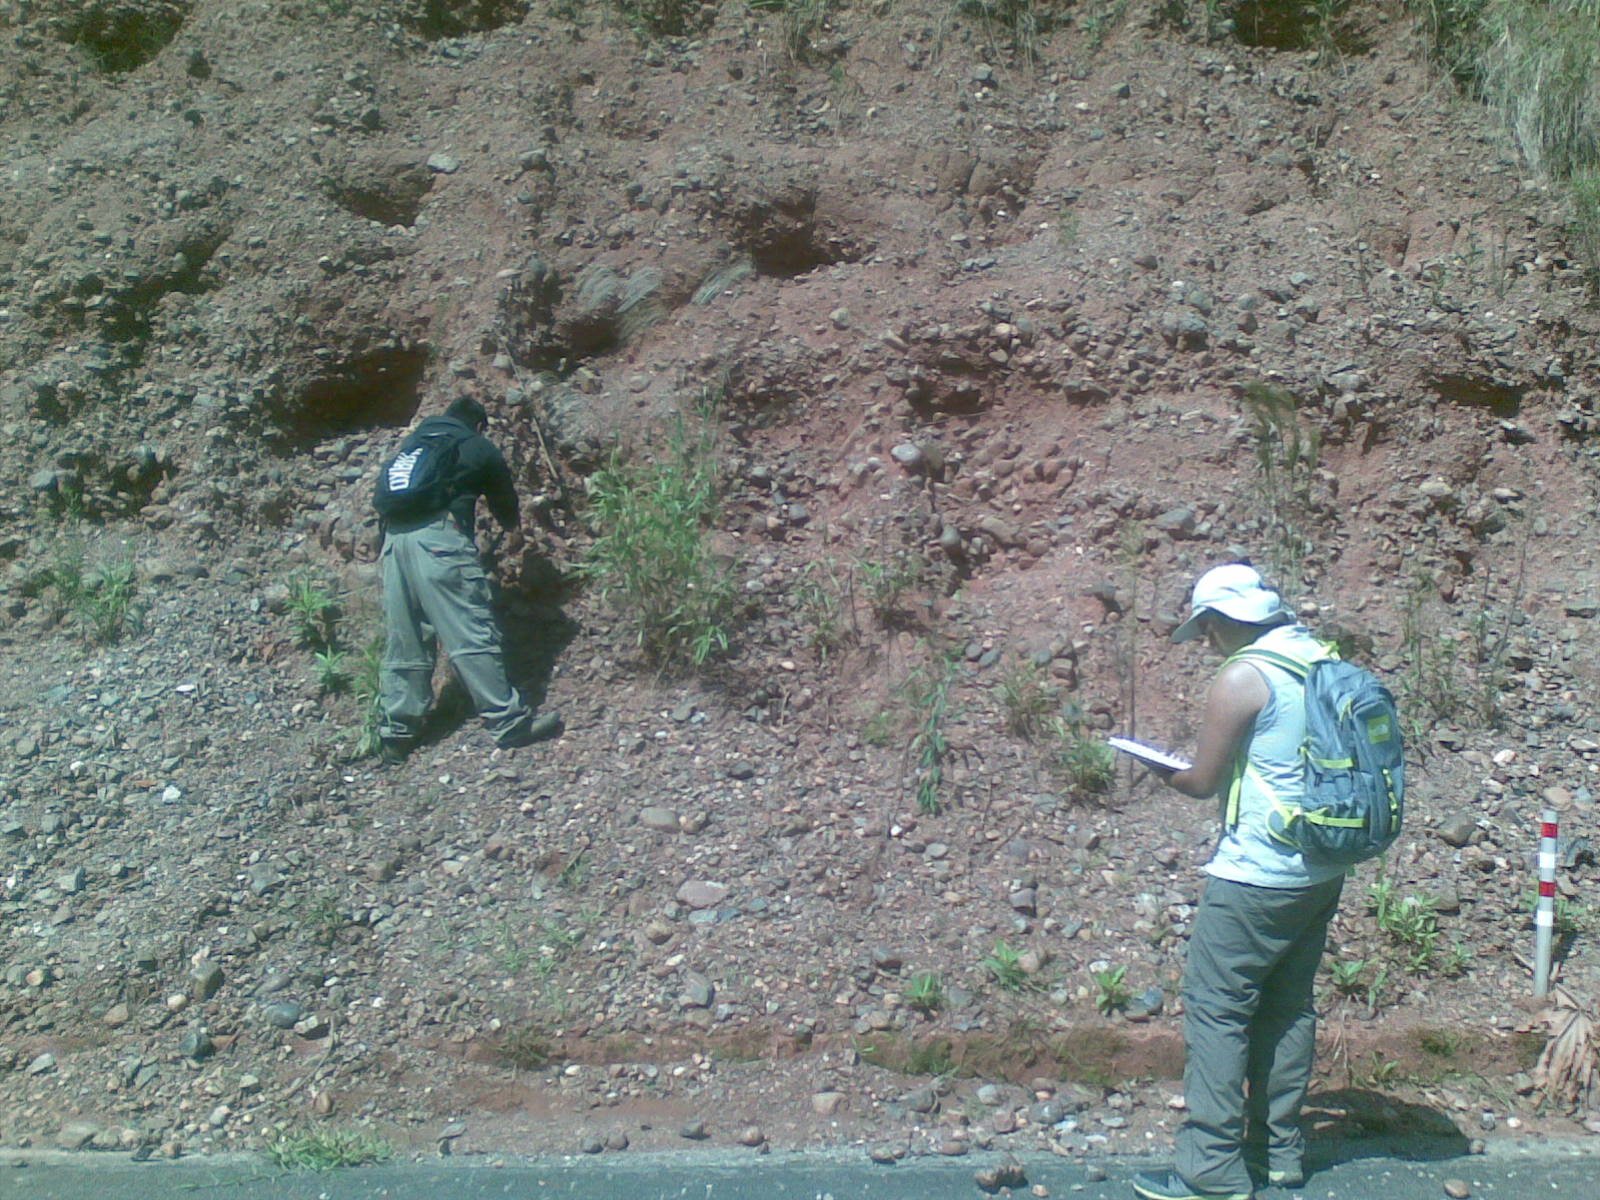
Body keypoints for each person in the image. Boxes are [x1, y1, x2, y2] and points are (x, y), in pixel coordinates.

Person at [1131, 563, 1346, 1200]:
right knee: (1287, 1007)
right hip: (1321, 868)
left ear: (1222, 621)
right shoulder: (1322, 658)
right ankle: (1279, 1155)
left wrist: (1150, 766)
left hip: (1257, 873)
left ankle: (1210, 1169)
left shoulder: (1245, 675)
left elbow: (1201, 782)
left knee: (1218, 1011)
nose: (1207, 644)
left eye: (1206, 632)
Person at [374, 394, 561, 765]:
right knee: (469, 630)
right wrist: (512, 530)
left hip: (394, 544)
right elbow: (506, 506)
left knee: (405, 638)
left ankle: (396, 736)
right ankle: (508, 724)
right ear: (478, 425)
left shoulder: (414, 446)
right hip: (438, 542)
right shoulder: (477, 446)